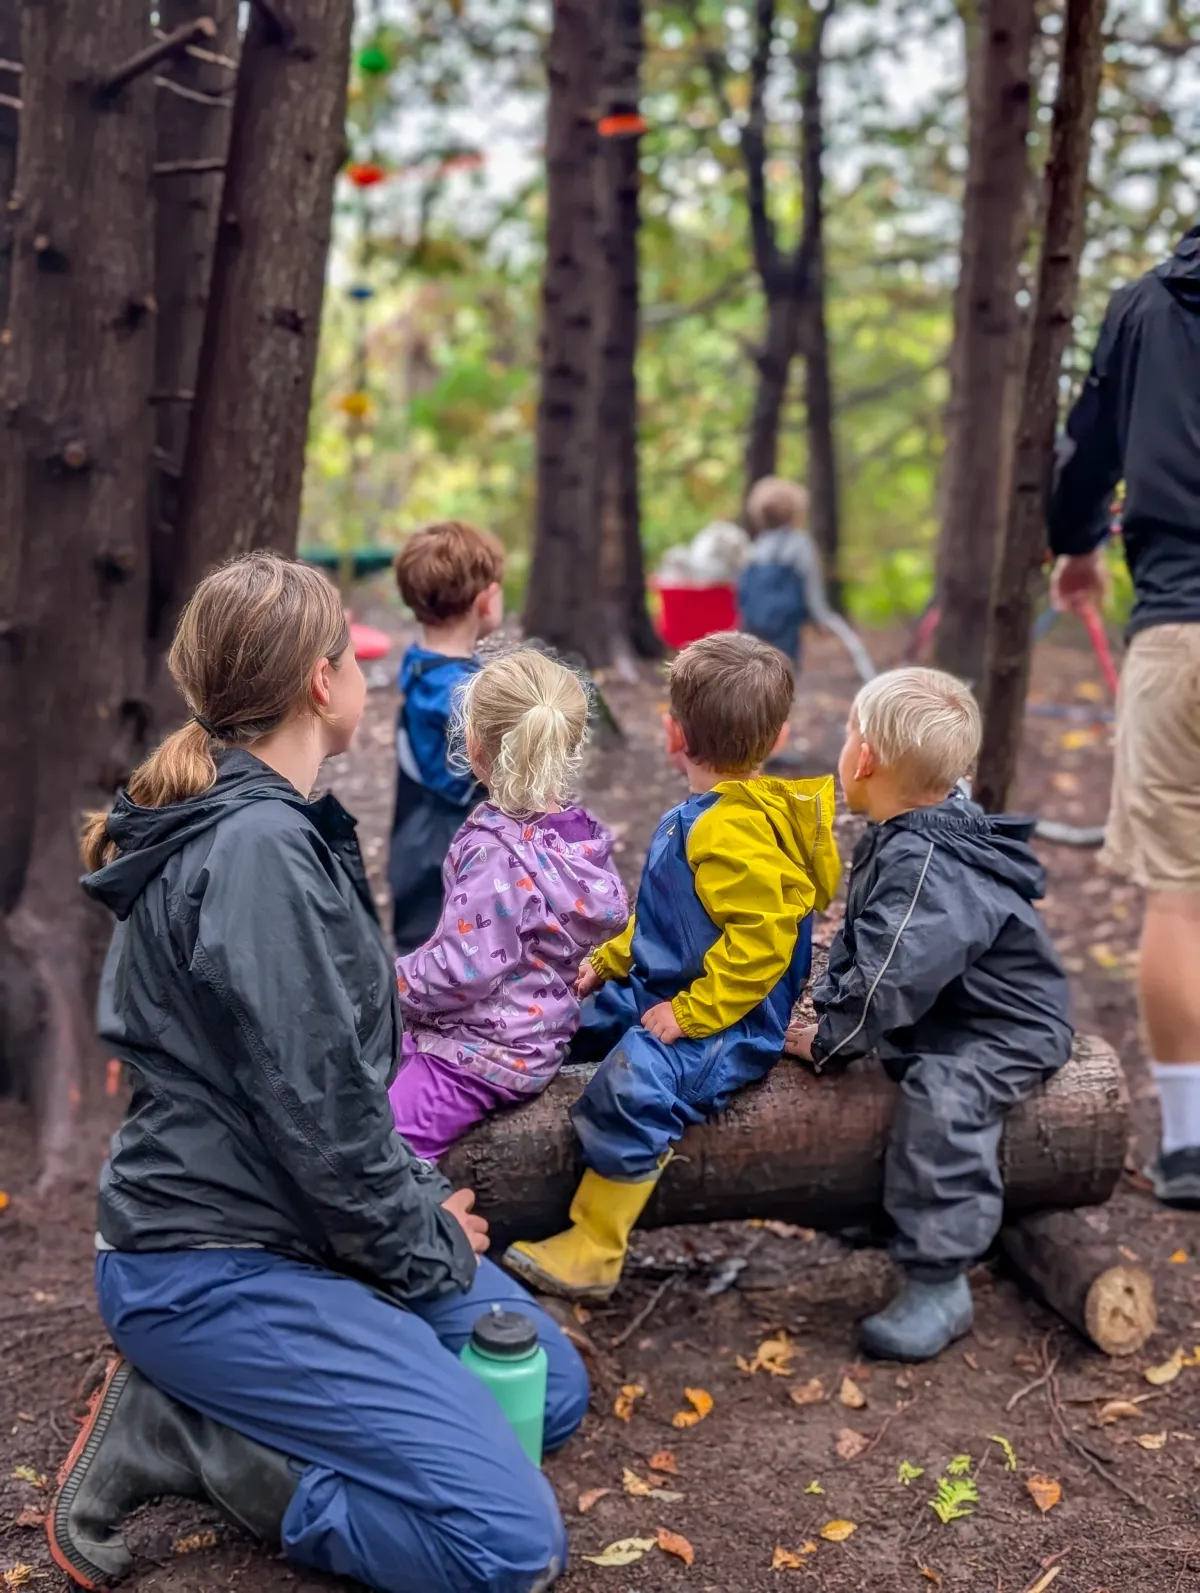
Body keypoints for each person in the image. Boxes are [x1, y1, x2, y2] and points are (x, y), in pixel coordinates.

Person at [47, 554, 586, 1593]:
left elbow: (325, 1093)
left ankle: (315, 1393)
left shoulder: (278, 827)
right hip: (211, 1261)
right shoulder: (255, 853)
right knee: (510, 1548)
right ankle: (197, 1444)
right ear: (319, 683)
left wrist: (416, 1209)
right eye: (351, 644)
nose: (363, 663)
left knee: (544, 1390)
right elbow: (322, 1114)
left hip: (306, 1223)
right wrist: (423, 1239)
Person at [504, 632, 842, 1301]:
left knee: (635, 1082)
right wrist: (610, 957)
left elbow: (764, 944)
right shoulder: (704, 816)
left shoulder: (730, 830)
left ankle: (596, 1245)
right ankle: (504, 1083)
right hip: (673, 983)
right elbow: (666, 917)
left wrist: (694, 1014)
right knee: (581, 1016)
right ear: (776, 736)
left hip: (729, 1021)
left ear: (672, 733)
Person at [792, 668, 1074, 1362]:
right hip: (950, 1005)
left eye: (851, 732)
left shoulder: (927, 862)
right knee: (893, 1075)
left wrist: (829, 1036)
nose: (846, 745)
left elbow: (891, 975)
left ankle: (939, 1279)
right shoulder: (911, 828)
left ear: (864, 760)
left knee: (943, 1098)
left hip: (1005, 1027)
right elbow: (882, 947)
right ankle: (882, 1208)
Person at [1048, 225, 1200, 1208]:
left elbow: (1087, 449)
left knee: (1180, 895)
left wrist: (1075, 544)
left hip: (1180, 629)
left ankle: (1189, 1145)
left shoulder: (1147, 303)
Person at [390, 650, 630, 1161]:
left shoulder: (496, 853)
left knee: (385, 1149)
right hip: (537, 1038)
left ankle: (449, 1239)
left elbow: (463, 970)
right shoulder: (577, 835)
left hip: (482, 1053)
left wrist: (389, 981)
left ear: (475, 745)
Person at [390, 520, 505, 954]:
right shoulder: (465, 694)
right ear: (485, 600)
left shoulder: (418, 664)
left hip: (415, 850)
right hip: (455, 861)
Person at [737, 476, 833, 668]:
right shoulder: (800, 544)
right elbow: (811, 583)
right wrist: (821, 617)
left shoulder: (757, 546)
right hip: (786, 622)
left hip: (755, 622)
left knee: (756, 667)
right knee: (785, 666)